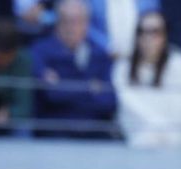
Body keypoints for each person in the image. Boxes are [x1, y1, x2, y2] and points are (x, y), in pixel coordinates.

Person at [31, 0, 118, 138]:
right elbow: (51, 95)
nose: (71, 27)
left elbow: (109, 102)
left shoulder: (101, 55)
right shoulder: (40, 51)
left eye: (77, 21)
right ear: (57, 23)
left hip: (95, 134)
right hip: (54, 134)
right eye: (65, 21)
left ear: (87, 24)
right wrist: (90, 87)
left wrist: (62, 85)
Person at [114, 9, 181, 148]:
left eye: (155, 32)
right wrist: (156, 130)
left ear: (165, 35)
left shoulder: (180, 64)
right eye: (143, 32)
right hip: (139, 142)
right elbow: (129, 107)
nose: (148, 38)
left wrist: (163, 133)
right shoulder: (123, 68)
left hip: (176, 141)